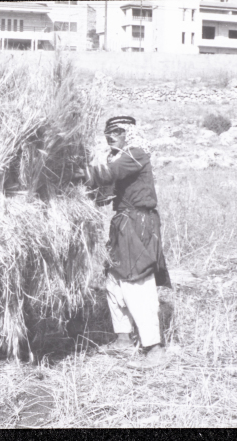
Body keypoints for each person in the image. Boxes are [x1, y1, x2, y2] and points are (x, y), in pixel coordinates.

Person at [80, 116, 171, 368]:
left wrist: (81, 172)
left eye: (118, 132)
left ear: (129, 133)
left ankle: (154, 349)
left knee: (137, 281)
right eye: (108, 133)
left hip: (138, 223)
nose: (112, 136)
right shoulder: (118, 158)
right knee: (114, 279)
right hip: (122, 223)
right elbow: (105, 191)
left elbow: (111, 173)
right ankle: (122, 340)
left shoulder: (136, 153)